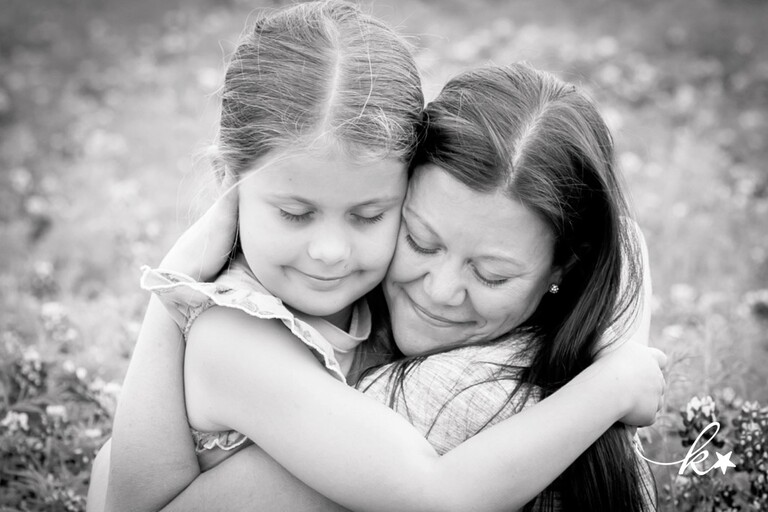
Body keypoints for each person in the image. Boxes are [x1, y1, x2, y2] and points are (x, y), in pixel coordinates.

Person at [86, 3, 666, 510]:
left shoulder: (359, 302)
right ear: (229, 186)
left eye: (371, 216)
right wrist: (614, 385)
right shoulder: (237, 336)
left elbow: (626, 245)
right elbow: (438, 495)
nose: (332, 253)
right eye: (295, 213)